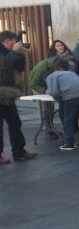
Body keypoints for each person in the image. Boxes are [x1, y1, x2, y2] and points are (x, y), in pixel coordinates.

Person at [0, 31, 37, 164]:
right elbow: (4, 65)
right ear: (7, 41)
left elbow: (19, 68)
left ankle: (19, 152)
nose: (15, 44)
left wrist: (20, 55)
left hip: (6, 93)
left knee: (15, 122)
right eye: (14, 42)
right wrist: (15, 52)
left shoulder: (8, 53)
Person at [46, 59, 79, 151]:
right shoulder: (72, 73)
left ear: (55, 67)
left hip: (71, 97)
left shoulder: (52, 76)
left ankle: (69, 143)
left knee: (68, 120)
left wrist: (54, 96)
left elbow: (54, 92)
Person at [29, 56, 58, 137]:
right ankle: (47, 128)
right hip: (37, 86)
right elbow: (33, 83)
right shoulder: (42, 67)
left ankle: (50, 126)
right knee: (44, 108)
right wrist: (43, 90)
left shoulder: (53, 66)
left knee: (51, 107)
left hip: (46, 85)